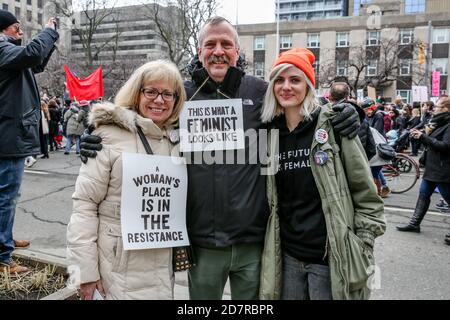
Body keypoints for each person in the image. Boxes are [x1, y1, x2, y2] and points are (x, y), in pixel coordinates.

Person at [80, 16, 361, 300]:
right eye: (210, 44)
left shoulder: (260, 92)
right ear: (199, 51)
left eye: (226, 44)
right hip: (202, 242)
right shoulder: (181, 95)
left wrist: (348, 113)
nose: (218, 50)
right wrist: (96, 133)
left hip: (253, 241)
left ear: (237, 52)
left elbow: (300, 109)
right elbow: (142, 121)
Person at [260, 48, 386, 300]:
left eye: (295, 80)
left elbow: (366, 193)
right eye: (280, 80)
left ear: (308, 85)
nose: (286, 87)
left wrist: (363, 244)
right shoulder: (269, 134)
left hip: (331, 257)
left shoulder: (333, 126)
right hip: (288, 258)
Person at [66, 60, 187, 300]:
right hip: (116, 266)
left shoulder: (180, 140)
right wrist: (84, 273)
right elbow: (84, 206)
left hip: (161, 265)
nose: (159, 100)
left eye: (167, 94)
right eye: (151, 91)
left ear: (176, 99)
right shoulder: (108, 136)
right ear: (136, 93)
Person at [0, 10, 59, 275]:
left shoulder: (8, 55)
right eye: (16, 27)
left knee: (7, 196)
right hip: (7, 136)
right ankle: (3, 257)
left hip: (9, 135)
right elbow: (32, 55)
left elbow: (35, 64)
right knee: (6, 198)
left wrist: (51, 38)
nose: (21, 32)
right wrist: (48, 31)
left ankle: (5, 241)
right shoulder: (2, 50)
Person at [396, 96, 450, 240]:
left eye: (437, 107)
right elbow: (431, 142)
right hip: (432, 167)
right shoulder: (437, 122)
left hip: (443, 169)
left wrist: (423, 137)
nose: (433, 110)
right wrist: (420, 136)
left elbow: (446, 146)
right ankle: (414, 224)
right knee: (423, 195)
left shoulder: (448, 124)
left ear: (445, 109)